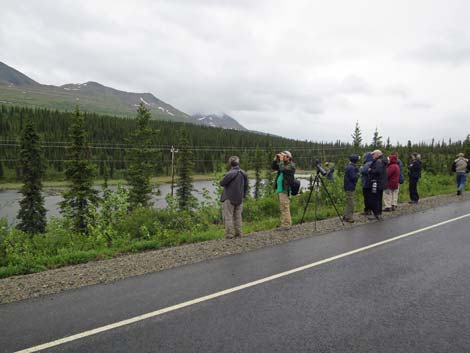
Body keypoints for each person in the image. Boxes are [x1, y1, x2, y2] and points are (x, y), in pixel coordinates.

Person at [220, 156, 248, 239]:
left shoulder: (230, 173)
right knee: (238, 216)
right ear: (238, 163)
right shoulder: (244, 173)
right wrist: (243, 196)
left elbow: (221, 183)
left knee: (228, 217)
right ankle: (239, 234)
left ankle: (229, 234)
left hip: (229, 198)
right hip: (239, 198)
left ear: (230, 163)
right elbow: (246, 186)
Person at [272, 150, 296, 230]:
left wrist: (281, 160)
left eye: (284, 156)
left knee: (285, 207)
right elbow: (274, 167)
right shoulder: (283, 164)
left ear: (289, 158)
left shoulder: (291, 165)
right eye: (282, 156)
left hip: (285, 189)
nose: (282, 157)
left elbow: (282, 169)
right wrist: (275, 159)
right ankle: (284, 224)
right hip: (280, 189)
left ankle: (286, 225)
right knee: (282, 207)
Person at [367, 149, 387, 220]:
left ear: (378, 154)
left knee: (375, 199)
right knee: (378, 198)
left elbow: (378, 171)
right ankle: (379, 214)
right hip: (380, 183)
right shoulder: (382, 160)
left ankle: (376, 214)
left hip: (377, 182)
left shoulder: (378, 161)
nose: (372, 155)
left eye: (373, 154)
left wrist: (370, 170)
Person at [343, 154, 360, 223]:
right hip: (349, 187)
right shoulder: (351, 168)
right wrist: (358, 174)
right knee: (351, 203)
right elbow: (353, 178)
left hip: (349, 187)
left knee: (349, 202)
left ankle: (345, 215)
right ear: (356, 161)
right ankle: (349, 218)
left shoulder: (350, 167)